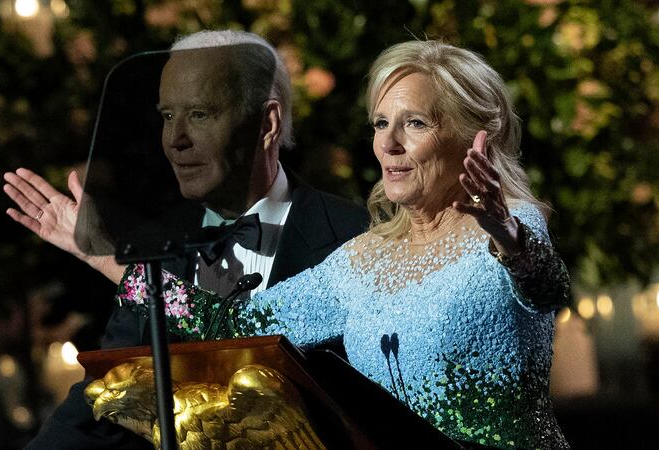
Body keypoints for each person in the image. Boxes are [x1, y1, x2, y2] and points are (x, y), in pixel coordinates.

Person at [117, 40, 571, 449]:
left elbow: (547, 288)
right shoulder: (361, 258)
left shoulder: (514, 226)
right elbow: (235, 327)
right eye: (380, 123)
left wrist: (509, 238)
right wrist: (119, 269)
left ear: (473, 137)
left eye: (414, 123)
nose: (388, 143)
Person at [3, 30, 367, 449]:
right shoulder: (154, 244)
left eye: (199, 114)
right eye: (167, 116)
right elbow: (100, 404)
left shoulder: (353, 236)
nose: (175, 140)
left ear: (266, 124)